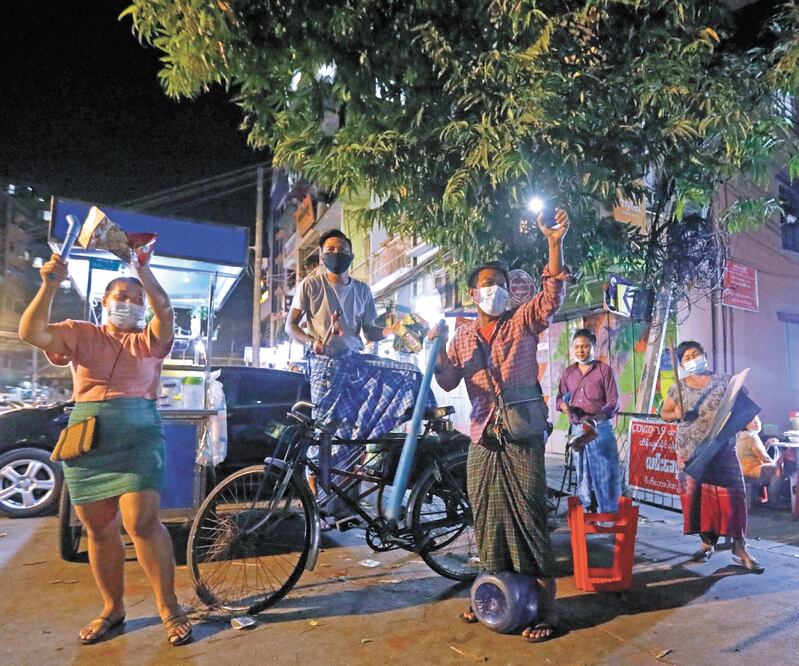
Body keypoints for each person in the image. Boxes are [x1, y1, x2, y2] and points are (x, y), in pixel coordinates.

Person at [18, 254, 192, 646]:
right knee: (98, 528)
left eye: (134, 297)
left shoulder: (149, 338)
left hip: (139, 434)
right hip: (87, 432)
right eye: (119, 295)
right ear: (103, 301)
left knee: (142, 522)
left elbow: (163, 308)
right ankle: (112, 608)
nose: (126, 302)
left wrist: (142, 267)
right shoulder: (79, 332)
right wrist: (49, 284)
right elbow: (30, 332)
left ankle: (169, 607)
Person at [431, 209, 570, 644]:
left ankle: (545, 608)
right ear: (473, 292)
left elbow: (552, 295)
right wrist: (434, 350)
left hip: (522, 434)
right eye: (488, 284)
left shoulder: (522, 320)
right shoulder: (463, 336)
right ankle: (491, 596)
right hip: (481, 436)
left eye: (502, 285)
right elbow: (448, 380)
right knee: (487, 516)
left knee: (529, 516)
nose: (496, 290)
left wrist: (553, 241)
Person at [660, 341, 762, 572]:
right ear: (681, 363)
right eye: (687, 357)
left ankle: (739, 547)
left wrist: (750, 422)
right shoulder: (678, 388)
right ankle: (706, 544)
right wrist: (677, 412)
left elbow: (745, 409)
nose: (693, 358)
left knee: (733, 498)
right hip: (690, 453)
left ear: (706, 355)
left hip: (722, 450)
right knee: (699, 501)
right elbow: (664, 413)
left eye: (697, 354)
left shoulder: (726, 382)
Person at [556, 328, 622, 513]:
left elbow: (613, 402)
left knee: (605, 472)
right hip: (578, 429)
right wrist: (565, 407)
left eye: (585, 346)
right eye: (577, 347)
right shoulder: (568, 373)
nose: (581, 350)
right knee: (582, 472)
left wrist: (596, 419)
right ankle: (588, 511)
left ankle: (609, 515)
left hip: (600, 428)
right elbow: (560, 398)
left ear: (593, 347)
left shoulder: (604, 370)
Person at [736, 416, 781, 506]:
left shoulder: (742, 435)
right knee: (778, 469)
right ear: (745, 424)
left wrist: (767, 444)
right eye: (752, 421)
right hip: (750, 471)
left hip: (742, 469)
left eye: (758, 420)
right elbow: (766, 459)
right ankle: (774, 501)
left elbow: (756, 453)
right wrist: (777, 463)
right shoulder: (751, 437)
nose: (757, 423)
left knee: (775, 467)